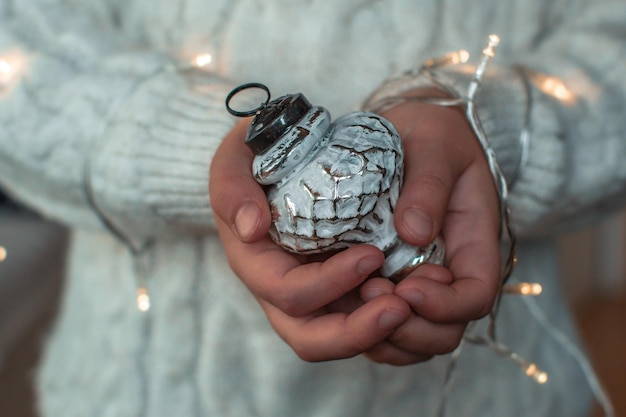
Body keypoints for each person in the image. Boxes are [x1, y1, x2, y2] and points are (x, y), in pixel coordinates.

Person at [0, 1, 624, 416]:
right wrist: (190, 143)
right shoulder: (307, 185)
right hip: (148, 389)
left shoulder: (359, 154)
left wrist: (491, 135)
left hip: (497, 396)